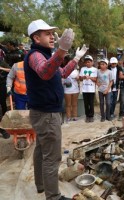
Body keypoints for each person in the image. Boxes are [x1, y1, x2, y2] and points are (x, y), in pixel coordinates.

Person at [24, 19, 87, 200]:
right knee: (52, 156)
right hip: (46, 114)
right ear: (36, 38)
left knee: (41, 150)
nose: (52, 36)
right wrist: (62, 50)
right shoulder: (36, 55)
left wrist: (75, 58)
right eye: (47, 33)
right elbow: (44, 71)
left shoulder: (45, 55)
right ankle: (54, 196)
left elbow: (62, 72)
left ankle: (41, 185)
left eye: (52, 33)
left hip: (42, 113)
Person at [79, 55, 98, 123]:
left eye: (89, 62)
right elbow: (80, 78)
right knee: (86, 103)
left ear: (92, 62)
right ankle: (87, 116)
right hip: (84, 89)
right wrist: (83, 77)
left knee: (91, 103)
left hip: (91, 89)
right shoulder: (83, 69)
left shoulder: (95, 69)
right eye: (86, 62)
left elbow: (95, 79)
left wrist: (89, 78)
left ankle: (91, 116)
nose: (87, 63)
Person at [62, 55, 80, 122]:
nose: (70, 64)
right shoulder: (63, 70)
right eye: (69, 63)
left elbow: (78, 79)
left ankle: (75, 116)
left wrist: (78, 78)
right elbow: (62, 80)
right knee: (68, 105)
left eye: (71, 63)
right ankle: (68, 117)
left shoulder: (75, 71)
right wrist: (64, 81)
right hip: (67, 90)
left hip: (75, 90)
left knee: (74, 104)